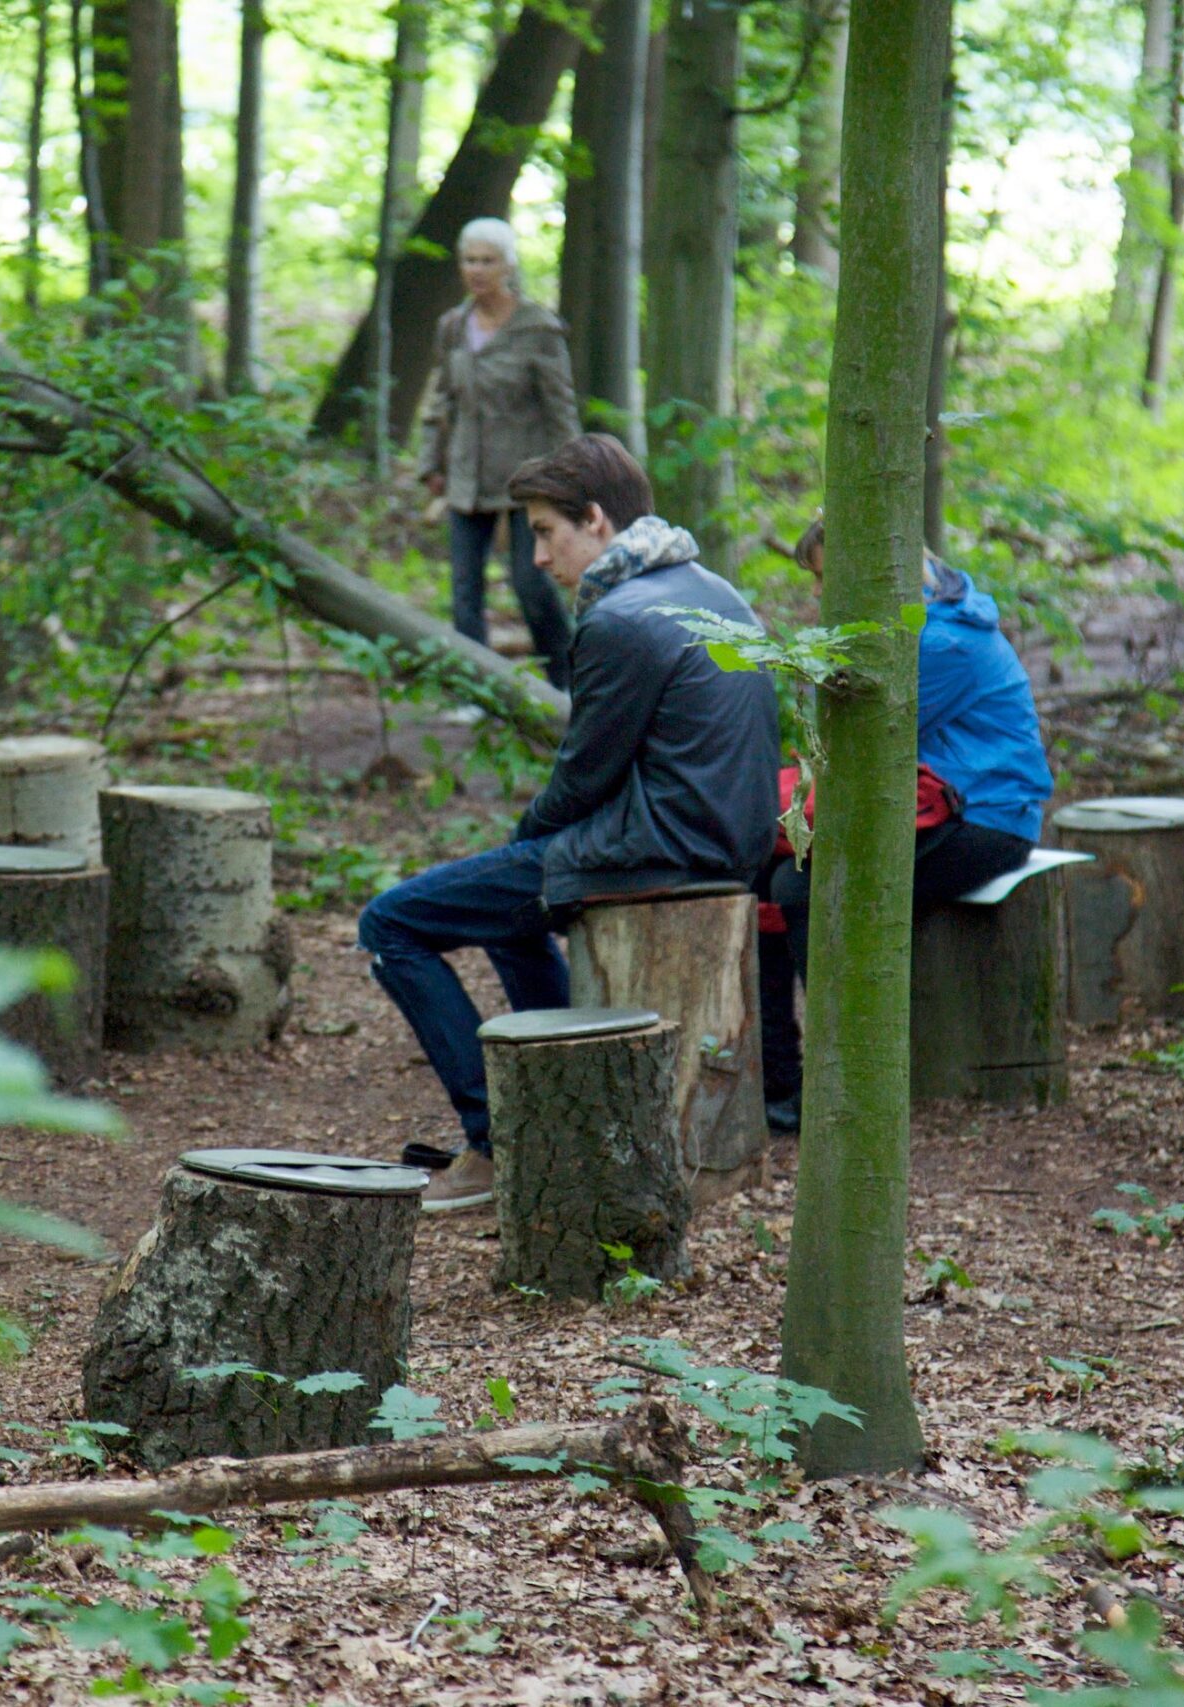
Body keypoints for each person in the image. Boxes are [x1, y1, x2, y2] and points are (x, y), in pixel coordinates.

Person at [360, 435, 781, 1210]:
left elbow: (584, 775)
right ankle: (555, 1101)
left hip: (659, 848)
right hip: (715, 839)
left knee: (390, 923)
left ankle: (494, 1140)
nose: (541, 559)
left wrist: (525, 838)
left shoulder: (622, 618)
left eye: (548, 533)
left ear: (596, 520)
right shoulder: (712, 588)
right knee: (505, 912)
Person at [757, 515, 1054, 1134]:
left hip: (987, 824)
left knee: (800, 888)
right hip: (946, 810)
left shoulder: (936, 644)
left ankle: (841, 1085)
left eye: (822, 580)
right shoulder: (919, 629)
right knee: (767, 873)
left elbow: (851, 745)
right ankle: (778, 1078)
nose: (815, 597)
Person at [419, 217, 579, 689]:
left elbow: (560, 404)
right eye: (469, 260)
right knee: (464, 591)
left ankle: (567, 686)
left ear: (508, 265)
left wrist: (571, 470)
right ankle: (477, 690)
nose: (477, 270)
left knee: (532, 586)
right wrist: (432, 464)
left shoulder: (538, 328)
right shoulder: (452, 327)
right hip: (466, 477)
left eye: (487, 260)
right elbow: (441, 398)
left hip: (527, 479)